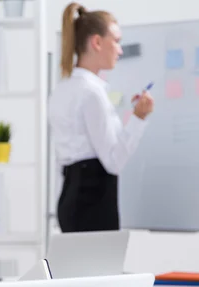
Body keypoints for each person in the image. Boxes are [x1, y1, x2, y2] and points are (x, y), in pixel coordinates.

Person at [49, 2, 155, 232]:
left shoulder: (63, 89)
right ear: (97, 42)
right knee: (101, 268)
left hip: (70, 199)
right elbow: (114, 161)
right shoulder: (92, 93)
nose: (120, 50)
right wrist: (138, 118)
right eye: (116, 41)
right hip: (93, 202)